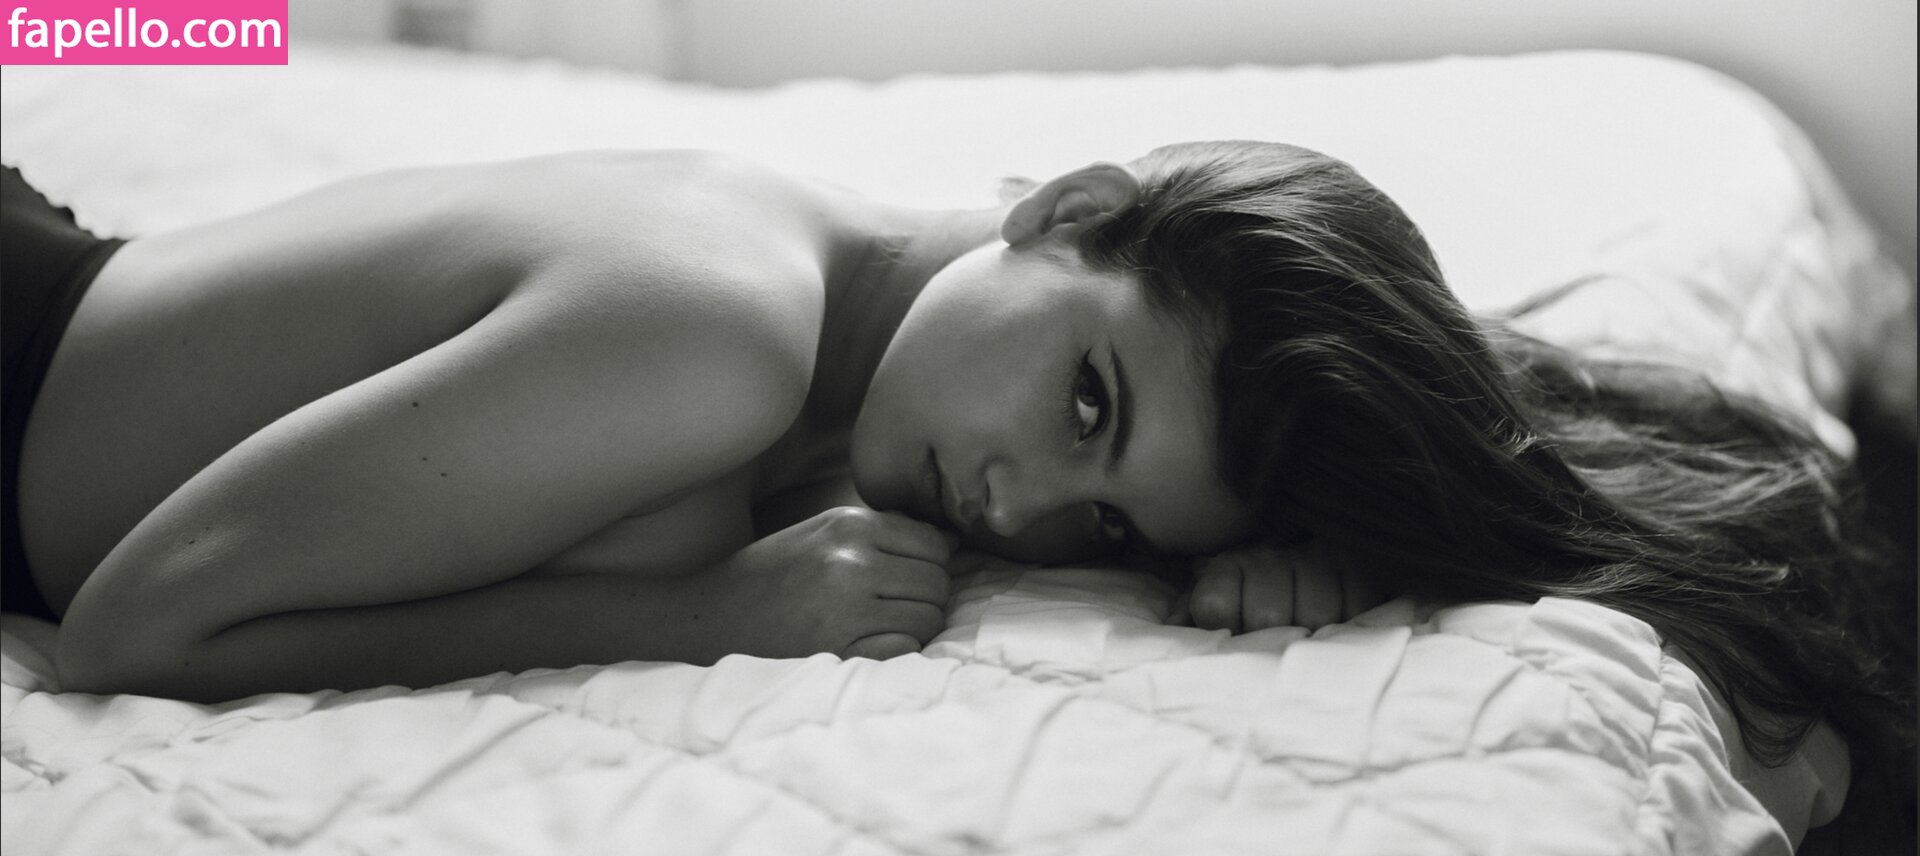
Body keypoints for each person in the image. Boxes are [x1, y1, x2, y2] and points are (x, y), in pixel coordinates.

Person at [2, 143, 1908, 793]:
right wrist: (690, 616)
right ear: (1068, 206)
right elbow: (130, 631)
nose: (1015, 513)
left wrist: (1293, 564)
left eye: (1107, 525)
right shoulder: (721, 326)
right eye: (1085, 409)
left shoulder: (871, 346)